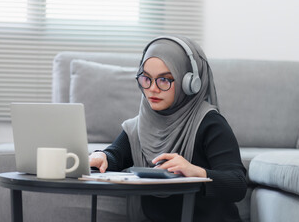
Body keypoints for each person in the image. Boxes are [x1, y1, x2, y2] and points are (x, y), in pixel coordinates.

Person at [89, 35, 247, 222]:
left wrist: (197, 172)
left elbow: (237, 184)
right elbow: (116, 155)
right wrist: (101, 156)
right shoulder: (138, 127)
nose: (152, 89)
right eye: (146, 78)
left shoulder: (210, 123)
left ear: (189, 84)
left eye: (164, 80)